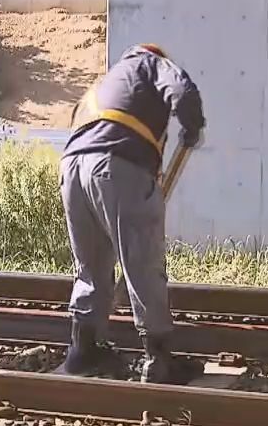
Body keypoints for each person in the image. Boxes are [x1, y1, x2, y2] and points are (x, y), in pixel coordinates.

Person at [55, 43, 205, 384]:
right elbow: (183, 92)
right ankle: (159, 360)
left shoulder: (102, 86)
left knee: (90, 265)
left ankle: (83, 352)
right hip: (117, 166)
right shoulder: (150, 63)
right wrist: (192, 127)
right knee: (142, 261)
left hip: (72, 169)